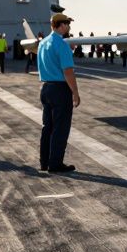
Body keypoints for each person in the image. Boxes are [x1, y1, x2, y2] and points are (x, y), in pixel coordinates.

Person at [38, 13, 81, 173]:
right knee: (60, 128)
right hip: (60, 89)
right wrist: (75, 92)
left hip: (46, 87)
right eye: (68, 24)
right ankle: (55, 164)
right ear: (61, 25)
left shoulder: (42, 43)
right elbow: (68, 71)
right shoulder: (62, 44)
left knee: (47, 127)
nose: (69, 27)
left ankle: (45, 162)